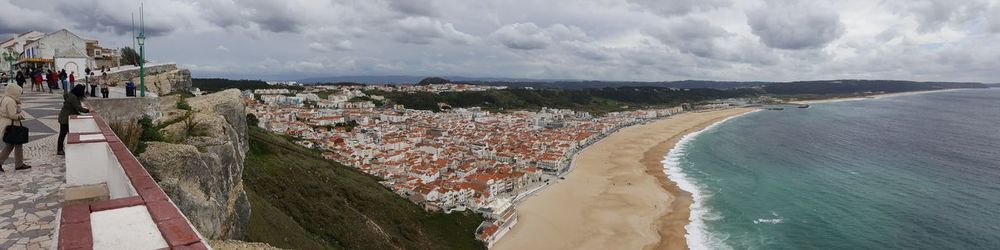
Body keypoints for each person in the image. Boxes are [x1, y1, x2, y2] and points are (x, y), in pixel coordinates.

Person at [0, 83, 31, 171]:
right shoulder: (10, 101)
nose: (20, 95)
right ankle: (18, 164)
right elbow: (12, 115)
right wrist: (21, 114)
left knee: (15, 144)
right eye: (19, 92)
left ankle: (19, 163)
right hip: (11, 125)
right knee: (13, 144)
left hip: (6, 124)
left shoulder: (4, 98)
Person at [58, 85, 90, 155]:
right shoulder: (73, 98)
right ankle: (59, 149)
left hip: (65, 116)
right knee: (63, 134)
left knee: (68, 133)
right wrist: (87, 110)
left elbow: (74, 108)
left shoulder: (71, 95)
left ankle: (66, 147)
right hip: (65, 118)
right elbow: (78, 107)